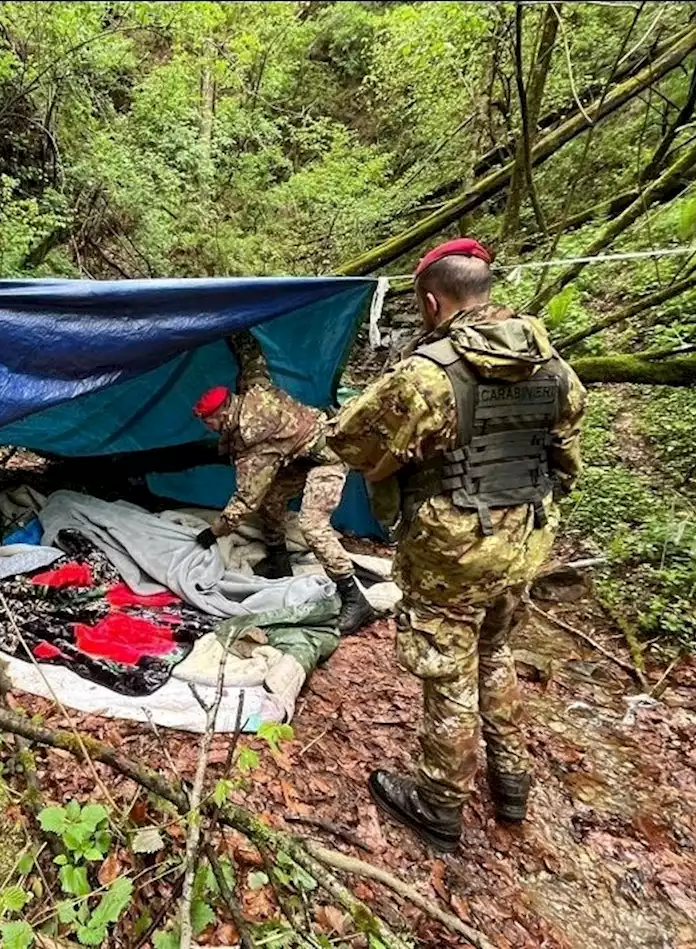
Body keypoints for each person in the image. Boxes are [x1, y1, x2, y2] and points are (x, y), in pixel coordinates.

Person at [328, 238, 586, 852]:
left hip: (452, 547)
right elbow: (565, 463)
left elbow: (353, 443)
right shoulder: (555, 368)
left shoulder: (428, 374)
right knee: (494, 653)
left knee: (449, 674)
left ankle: (439, 803)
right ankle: (512, 780)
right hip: (524, 538)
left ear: (431, 301)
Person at [192, 381, 372, 635]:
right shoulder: (255, 391)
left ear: (221, 414)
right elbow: (255, 364)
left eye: (207, 420)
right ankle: (280, 561)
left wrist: (215, 532)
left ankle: (354, 598)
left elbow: (246, 499)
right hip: (304, 457)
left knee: (312, 524)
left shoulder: (253, 436)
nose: (206, 427)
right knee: (271, 498)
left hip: (331, 457)